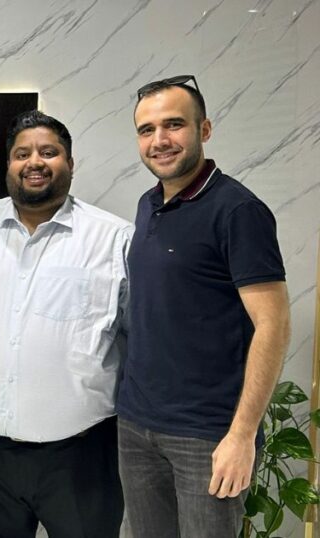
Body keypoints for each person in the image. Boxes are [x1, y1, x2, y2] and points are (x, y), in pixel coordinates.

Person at [118, 75, 291, 537]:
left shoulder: (237, 210)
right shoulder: (147, 204)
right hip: (137, 425)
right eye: (147, 129)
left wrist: (242, 435)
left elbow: (272, 325)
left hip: (208, 435)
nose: (159, 140)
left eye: (173, 125)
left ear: (205, 129)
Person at [0, 110, 131, 537]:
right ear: (8, 164)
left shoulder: (114, 239)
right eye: (22, 153)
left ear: (70, 163)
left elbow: (139, 340)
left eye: (49, 152)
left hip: (82, 456)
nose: (34, 162)